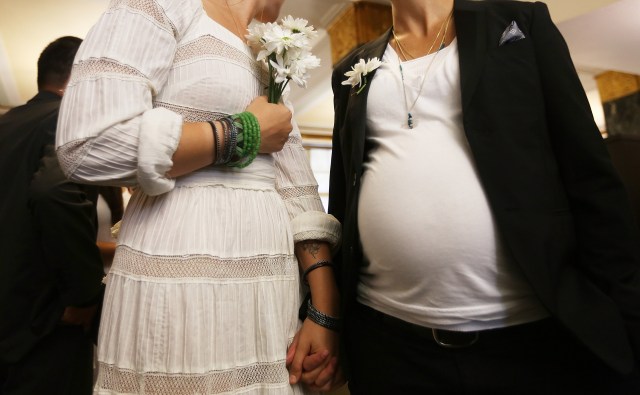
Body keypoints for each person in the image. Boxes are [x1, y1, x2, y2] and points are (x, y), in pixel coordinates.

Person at [328, 0, 640, 394]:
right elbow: (343, 192)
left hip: (527, 343)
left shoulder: (519, 23)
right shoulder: (350, 70)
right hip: (388, 344)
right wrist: (333, 321)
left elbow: (589, 174)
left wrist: (626, 318)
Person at [55, 0, 342, 393]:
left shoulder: (267, 47)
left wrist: (324, 309)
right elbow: (87, 144)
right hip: (182, 282)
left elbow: (296, 186)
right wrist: (243, 133)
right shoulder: (163, 5)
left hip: (268, 295)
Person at [0, 36, 105, 394]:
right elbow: (53, 191)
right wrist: (85, 294)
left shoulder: (9, 122)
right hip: (46, 324)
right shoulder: (68, 119)